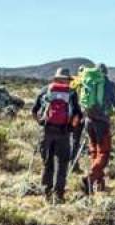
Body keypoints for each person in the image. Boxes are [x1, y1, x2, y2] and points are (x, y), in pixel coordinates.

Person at [32, 68, 83, 203]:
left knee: (47, 162)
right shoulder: (72, 93)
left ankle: (47, 193)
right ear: (68, 79)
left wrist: (42, 123)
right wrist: (71, 128)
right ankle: (59, 194)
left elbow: (34, 110)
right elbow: (78, 114)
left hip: (47, 131)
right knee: (62, 163)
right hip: (64, 132)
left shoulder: (45, 90)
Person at [81, 63, 115, 194]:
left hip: (89, 121)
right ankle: (90, 178)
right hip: (102, 122)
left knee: (94, 152)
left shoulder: (89, 81)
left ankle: (99, 183)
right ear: (106, 72)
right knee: (104, 153)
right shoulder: (109, 84)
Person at [68, 65, 87, 173]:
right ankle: (73, 165)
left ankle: (68, 164)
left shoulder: (72, 83)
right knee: (76, 141)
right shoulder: (85, 84)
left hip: (68, 116)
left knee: (68, 140)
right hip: (80, 116)